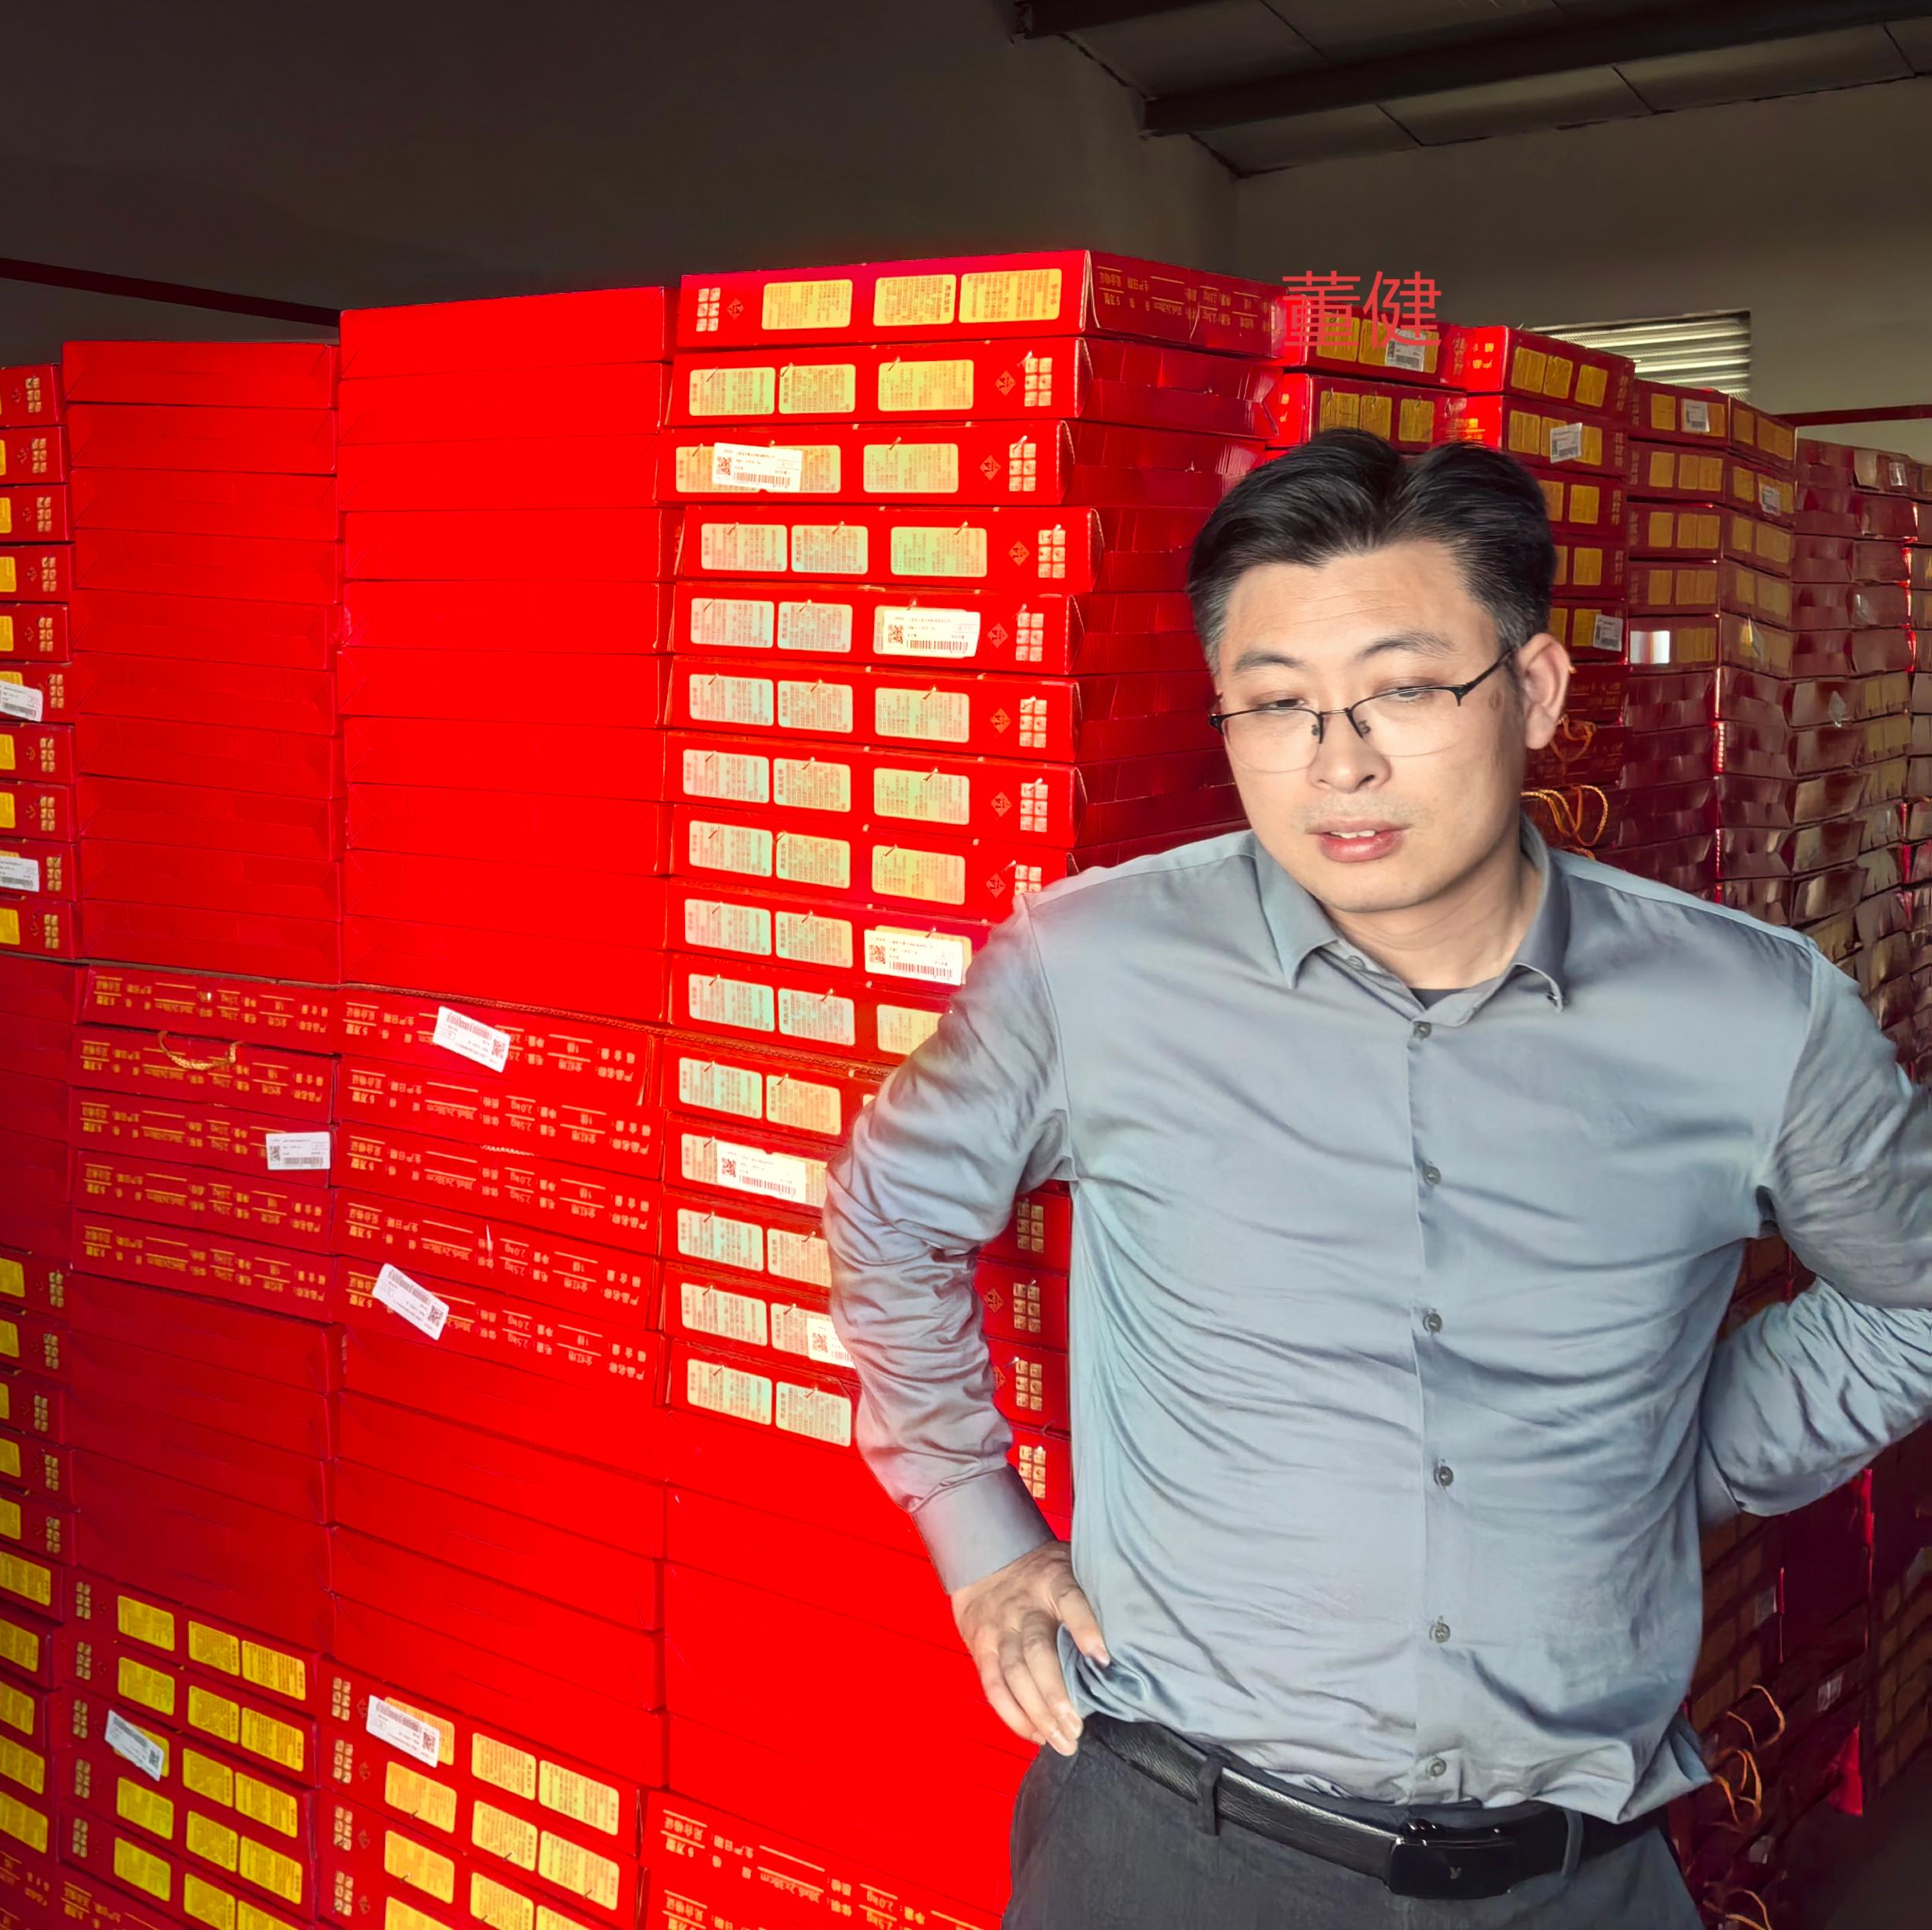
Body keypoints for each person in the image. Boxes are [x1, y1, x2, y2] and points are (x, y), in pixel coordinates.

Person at [826, 432, 1932, 1927]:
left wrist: (1681, 1451)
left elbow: (1912, 1296)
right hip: (1170, 1842)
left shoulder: (1754, 1017)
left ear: (1535, 691)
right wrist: (977, 1527)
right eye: (1277, 703)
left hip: (1577, 1872)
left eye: (1405, 690)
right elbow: (889, 1215)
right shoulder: (1093, 972)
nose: (1338, 763)